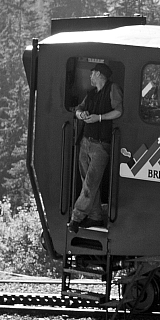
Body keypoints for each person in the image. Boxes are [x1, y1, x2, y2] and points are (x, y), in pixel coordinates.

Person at [69, 63, 123, 233]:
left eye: (92, 74)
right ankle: (96, 216)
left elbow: (118, 111)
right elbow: (79, 109)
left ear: (99, 74)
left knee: (90, 183)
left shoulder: (113, 89)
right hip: (86, 141)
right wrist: (81, 115)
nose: (90, 77)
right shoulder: (91, 94)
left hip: (101, 144)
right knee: (88, 182)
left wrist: (99, 118)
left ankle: (76, 218)